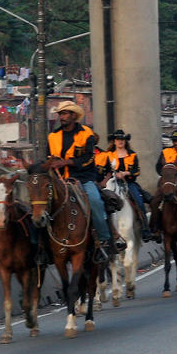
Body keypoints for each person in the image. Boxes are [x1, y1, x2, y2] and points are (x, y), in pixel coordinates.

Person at [46, 100, 115, 264]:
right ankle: (42, 248)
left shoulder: (87, 134)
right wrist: (51, 163)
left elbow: (89, 158)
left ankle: (104, 241)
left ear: (73, 116)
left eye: (64, 114)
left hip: (82, 178)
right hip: (59, 178)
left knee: (95, 201)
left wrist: (66, 162)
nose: (61, 117)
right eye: (60, 114)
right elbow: (49, 156)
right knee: (40, 205)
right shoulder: (53, 136)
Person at [103, 129, 155, 241]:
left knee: (139, 202)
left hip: (129, 183)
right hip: (112, 182)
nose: (120, 141)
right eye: (118, 139)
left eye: (122, 139)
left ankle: (145, 230)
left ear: (125, 141)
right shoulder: (108, 155)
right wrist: (113, 174)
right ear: (114, 141)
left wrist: (126, 173)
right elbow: (103, 169)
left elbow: (137, 171)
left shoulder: (132, 154)